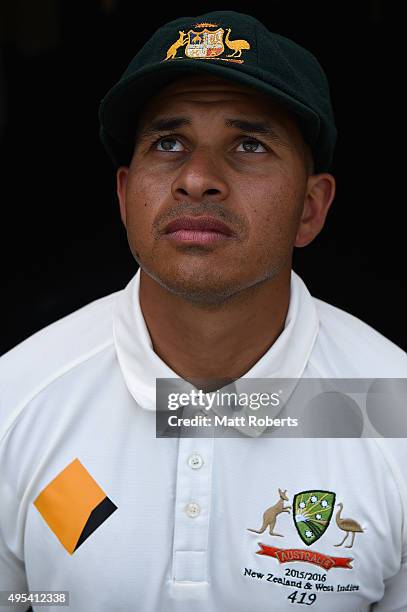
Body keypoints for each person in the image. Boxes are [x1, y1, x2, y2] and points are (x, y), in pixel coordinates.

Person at [0, 10, 406, 612]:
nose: (197, 178)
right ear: (123, 196)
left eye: (249, 143)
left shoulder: (390, 405)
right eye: (168, 143)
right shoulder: (16, 397)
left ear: (310, 209)